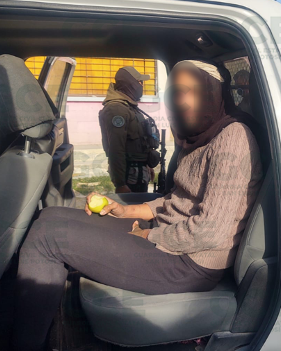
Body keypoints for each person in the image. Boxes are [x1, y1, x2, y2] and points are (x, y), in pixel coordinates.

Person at [11, 60, 263, 351]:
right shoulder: (200, 137)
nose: (182, 100)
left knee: (46, 238)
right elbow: (178, 201)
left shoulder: (233, 139)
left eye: (191, 91)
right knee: (49, 216)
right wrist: (126, 211)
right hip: (171, 242)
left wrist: (150, 236)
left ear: (214, 93)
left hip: (189, 263)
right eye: (177, 92)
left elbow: (210, 231)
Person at [98, 66, 160, 193]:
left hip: (139, 171)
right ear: (129, 84)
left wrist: (147, 165)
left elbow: (139, 141)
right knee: (130, 211)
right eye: (139, 82)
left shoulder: (129, 107)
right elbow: (116, 149)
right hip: (129, 174)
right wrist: (120, 184)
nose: (141, 85)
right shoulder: (116, 109)